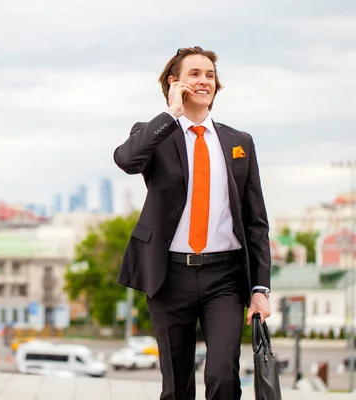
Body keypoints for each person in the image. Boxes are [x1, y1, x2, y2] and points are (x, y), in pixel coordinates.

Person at [113, 46, 272, 400]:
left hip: (225, 278)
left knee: (221, 377)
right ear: (175, 83)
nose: (204, 81)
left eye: (210, 75)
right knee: (177, 386)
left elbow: (255, 222)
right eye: (195, 74)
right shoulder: (156, 134)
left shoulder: (238, 143)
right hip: (170, 276)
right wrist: (171, 112)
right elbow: (126, 159)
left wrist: (260, 289)